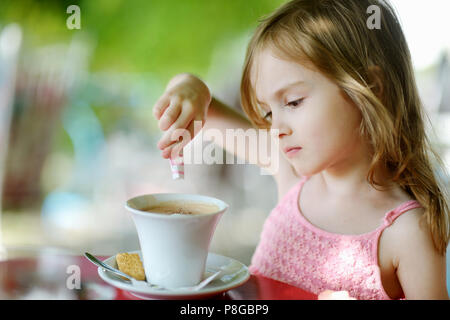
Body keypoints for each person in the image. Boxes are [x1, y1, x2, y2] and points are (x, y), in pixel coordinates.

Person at [152, 0, 449, 300]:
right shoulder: (290, 171)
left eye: (293, 102)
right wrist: (187, 87)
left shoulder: (407, 232)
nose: (276, 127)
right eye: (268, 112)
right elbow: (205, 111)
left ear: (369, 88)